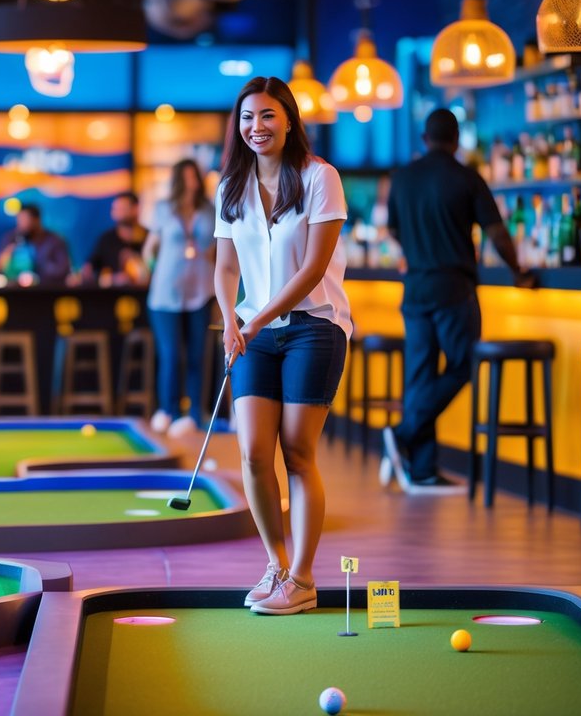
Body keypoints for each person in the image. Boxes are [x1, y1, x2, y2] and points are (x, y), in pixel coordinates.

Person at [214, 76, 351, 616]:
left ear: (289, 120)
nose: (257, 127)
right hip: (253, 333)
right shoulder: (230, 187)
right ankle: (275, 565)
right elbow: (226, 268)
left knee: (296, 451)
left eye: (268, 115)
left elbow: (314, 268)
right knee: (252, 452)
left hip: (315, 327)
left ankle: (303, 578)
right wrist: (230, 320)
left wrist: (256, 319)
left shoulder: (320, 177)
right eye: (248, 117)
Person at [383, 109, 535, 495]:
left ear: (425, 139)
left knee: (420, 378)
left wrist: (415, 250)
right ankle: (403, 435)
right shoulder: (467, 177)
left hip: (415, 289)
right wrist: (518, 271)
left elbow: (393, 229)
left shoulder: (402, 178)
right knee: (465, 364)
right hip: (453, 289)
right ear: (456, 141)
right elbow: (497, 233)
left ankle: (422, 469)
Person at [144, 160, 216, 438]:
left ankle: (195, 414)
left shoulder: (210, 210)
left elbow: (219, 247)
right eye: (185, 177)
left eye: (194, 176)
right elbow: (149, 250)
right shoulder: (163, 209)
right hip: (165, 295)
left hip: (201, 291)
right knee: (172, 355)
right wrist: (154, 270)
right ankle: (169, 411)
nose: (191, 182)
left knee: (198, 354)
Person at [80, 191, 149, 286]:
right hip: (113, 294)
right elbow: (89, 270)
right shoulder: (106, 240)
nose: (117, 212)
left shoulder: (149, 238)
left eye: (122, 208)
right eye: (115, 209)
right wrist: (112, 279)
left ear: (136, 209)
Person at [0, 203, 71, 284]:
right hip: (15, 287)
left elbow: (63, 270)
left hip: (47, 288)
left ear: (37, 220)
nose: (22, 225)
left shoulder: (54, 241)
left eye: (25, 220)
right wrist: (9, 252)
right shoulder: (12, 238)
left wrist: (38, 269)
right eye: (20, 220)